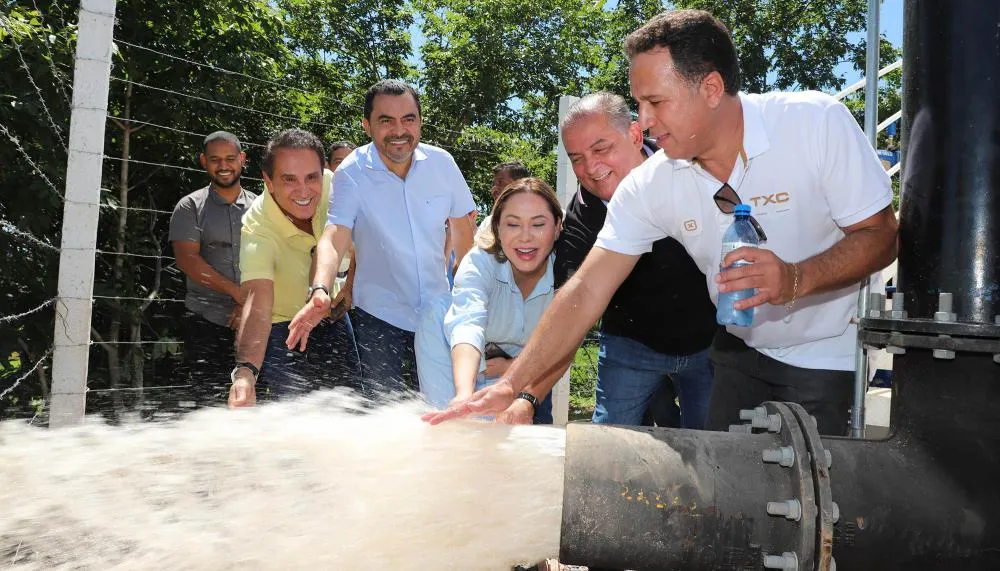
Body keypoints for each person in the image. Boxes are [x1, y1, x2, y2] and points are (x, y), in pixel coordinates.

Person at [425, 9, 898, 436]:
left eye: (655, 102)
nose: (644, 122)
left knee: (813, 508)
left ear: (711, 88)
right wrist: (512, 386)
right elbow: (587, 290)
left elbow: (881, 236)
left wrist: (797, 277)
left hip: (826, 354)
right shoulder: (650, 183)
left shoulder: (814, 124)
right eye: (639, 104)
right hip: (737, 353)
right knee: (724, 498)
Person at [286, 79, 477, 395]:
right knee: (381, 410)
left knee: (440, 406)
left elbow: (464, 235)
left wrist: (471, 296)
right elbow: (335, 236)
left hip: (437, 311)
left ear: (420, 122)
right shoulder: (351, 172)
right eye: (386, 120)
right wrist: (320, 288)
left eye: (408, 119)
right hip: (378, 316)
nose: (399, 130)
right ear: (367, 125)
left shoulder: (442, 164)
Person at [557, 92, 717, 429]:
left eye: (601, 149)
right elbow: (571, 306)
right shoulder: (582, 215)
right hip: (631, 346)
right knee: (609, 447)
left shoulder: (692, 171)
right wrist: (525, 393)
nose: (591, 168)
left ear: (634, 135)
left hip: (710, 343)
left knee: (717, 452)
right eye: (577, 158)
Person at [228, 129, 360, 407]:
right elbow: (258, 299)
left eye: (312, 177)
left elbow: (352, 241)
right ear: (269, 181)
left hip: (329, 314)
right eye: (289, 180)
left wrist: (348, 286)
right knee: (294, 413)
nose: (303, 191)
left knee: (352, 407)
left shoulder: (334, 185)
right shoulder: (257, 225)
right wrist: (246, 373)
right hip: (280, 327)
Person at [416, 178, 562, 424]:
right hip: (454, 351)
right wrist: (464, 394)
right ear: (497, 228)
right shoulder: (479, 262)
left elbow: (563, 343)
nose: (525, 237)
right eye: (513, 225)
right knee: (455, 425)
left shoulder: (569, 270)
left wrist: (512, 368)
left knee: (509, 438)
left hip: (524, 365)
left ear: (558, 227)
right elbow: (467, 324)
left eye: (538, 224)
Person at [169, 131, 256, 405]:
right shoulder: (189, 207)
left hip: (255, 321)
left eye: (231, 158)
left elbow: (272, 261)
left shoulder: (262, 208)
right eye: (215, 159)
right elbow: (188, 261)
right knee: (208, 402)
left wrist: (247, 304)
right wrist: (237, 293)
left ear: (242, 159)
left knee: (255, 400)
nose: (224, 165)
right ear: (203, 161)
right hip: (205, 319)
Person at [475, 161, 531, 241]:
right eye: (494, 184)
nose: (494, 189)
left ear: (519, 184)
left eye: (500, 182)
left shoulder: (533, 218)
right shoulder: (488, 221)